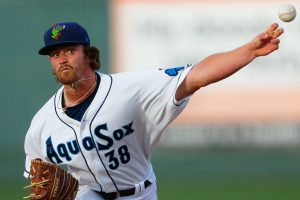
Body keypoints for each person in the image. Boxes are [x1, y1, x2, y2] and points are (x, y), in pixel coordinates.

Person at [23, 22, 284, 200]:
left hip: (139, 193)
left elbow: (196, 76)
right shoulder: (42, 124)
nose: (63, 59)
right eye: (55, 54)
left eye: (70, 50)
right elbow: (36, 180)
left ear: (89, 55)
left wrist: (249, 51)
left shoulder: (131, 89)